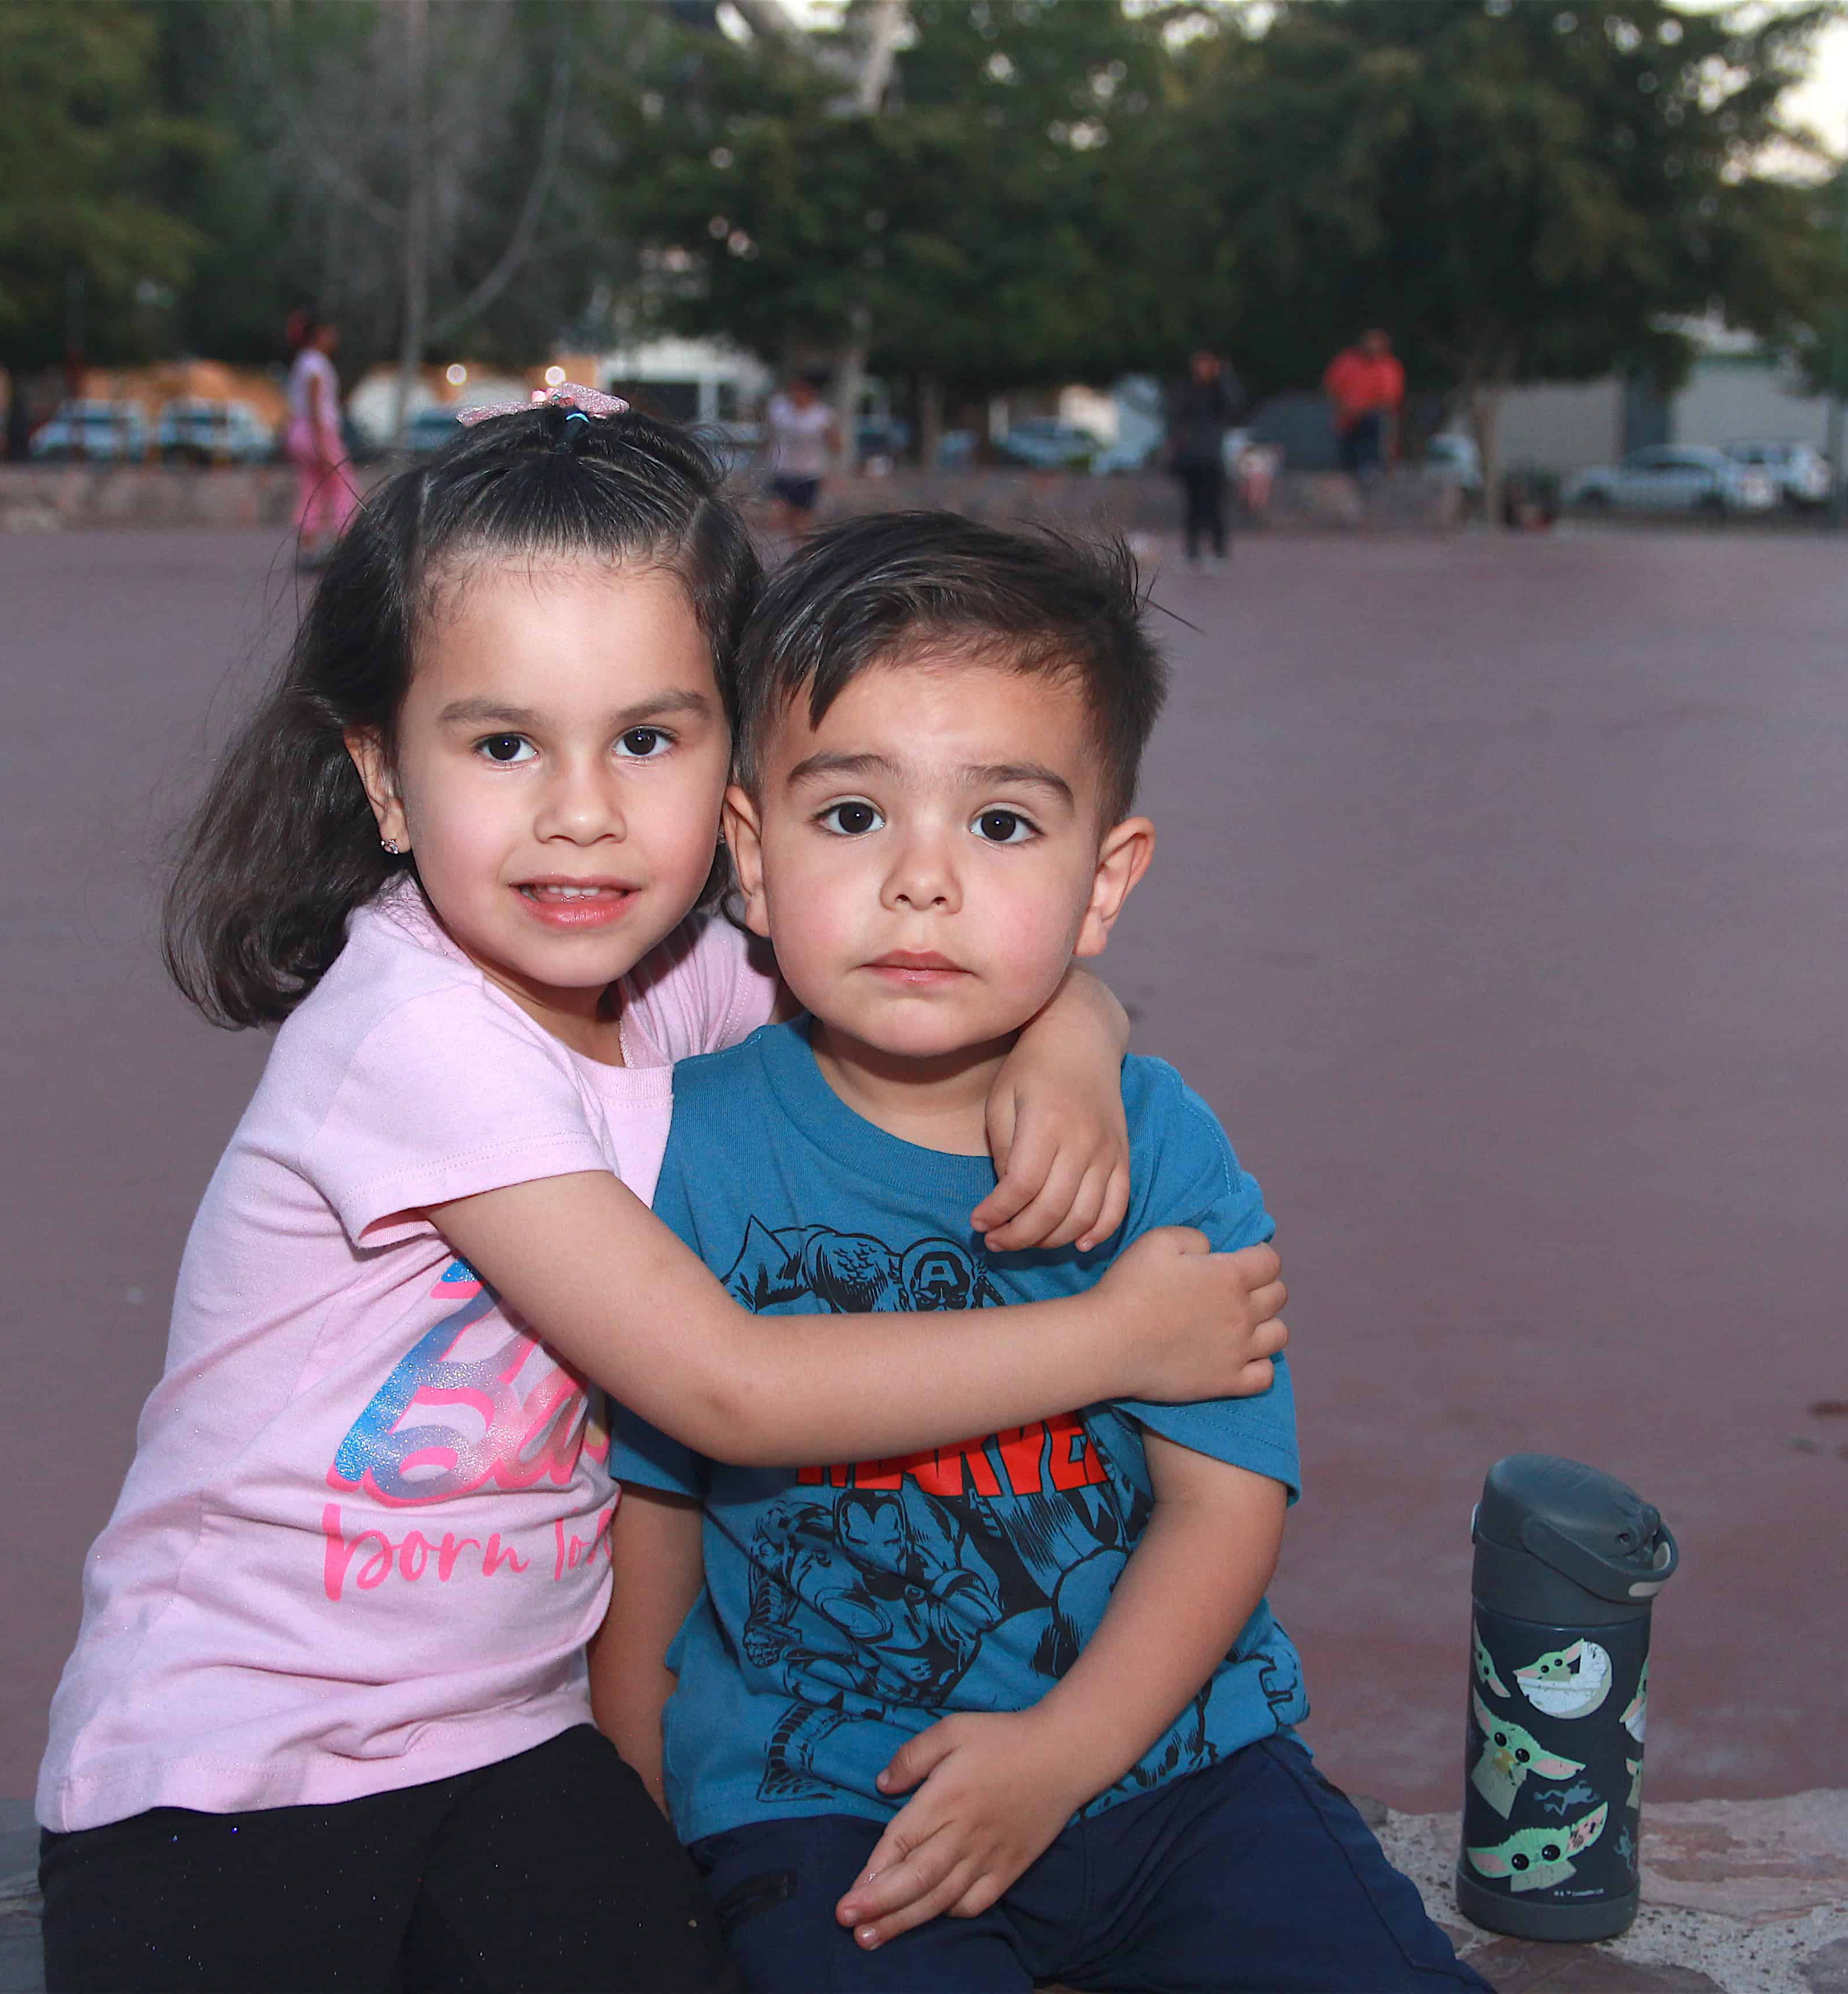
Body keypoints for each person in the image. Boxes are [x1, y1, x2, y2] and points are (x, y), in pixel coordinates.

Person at [34, 396, 1291, 1994]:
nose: (583, 812)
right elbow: (729, 1384)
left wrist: (1076, 1029)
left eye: (648, 738)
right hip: (231, 1746)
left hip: (502, 1735)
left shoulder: (678, 976)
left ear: (734, 768)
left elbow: (926, 974)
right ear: (387, 777)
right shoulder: (414, 1034)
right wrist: (1118, 1340)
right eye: (505, 744)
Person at [595, 514, 1488, 1993]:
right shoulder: (683, 1146)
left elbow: (1223, 1501)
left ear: (1104, 877)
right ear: (748, 855)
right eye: (850, 815)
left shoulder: (1158, 1141)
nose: (921, 881)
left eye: (1000, 822)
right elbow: (654, 1524)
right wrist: (633, 1813)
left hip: (1173, 1764)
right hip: (831, 1804)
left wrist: (1062, 1755)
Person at [284, 309, 359, 569]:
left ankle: (308, 549)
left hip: (299, 432)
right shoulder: (317, 365)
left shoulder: (302, 361)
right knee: (343, 486)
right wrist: (322, 445)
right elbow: (316, 407)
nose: (334, 338)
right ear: (319, 335)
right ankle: (344, 543)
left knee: (310, 489)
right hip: (318, 432)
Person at [1165, 349, 1245, 571]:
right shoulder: (1186, 390)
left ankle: (1219, 550)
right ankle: (1192, 549)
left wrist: (1225, 377)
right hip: (1191, 456)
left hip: (1212, 455)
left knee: (1214, 505)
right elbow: (1174, 418)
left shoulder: (1220, 391)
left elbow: (1234, 404)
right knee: (1192, 504)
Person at [1323, 327, 1404, 479]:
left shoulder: (1388, 368)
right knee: (1347, 458)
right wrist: (1346, 407)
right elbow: (1331, 388)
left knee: (1377, 423)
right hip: (1347, 418)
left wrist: (1361, 409)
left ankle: (1372, 468)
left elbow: (1388, 400)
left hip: (1372, 419)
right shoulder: (1347, 362)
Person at [763, 372, 836, 536]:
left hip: (808, 474)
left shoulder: (822, 416)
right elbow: (769, 436)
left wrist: (831, 435)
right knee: (777, 516)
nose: (797, 395)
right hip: (782, 471)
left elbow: (836, 446)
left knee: (801, 523)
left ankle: (800, 555)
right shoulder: (779, 409)